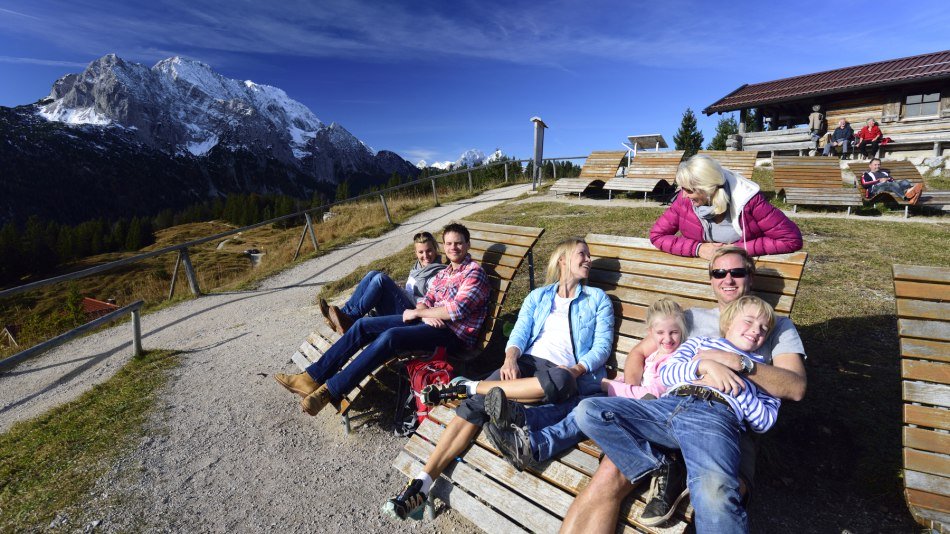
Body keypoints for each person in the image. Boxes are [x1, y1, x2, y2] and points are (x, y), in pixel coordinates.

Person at [559, 247, 807, 534]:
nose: (728, 279)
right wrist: (643, 395)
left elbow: (796, 387)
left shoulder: (775, 325)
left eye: (737, 272)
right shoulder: (690, 318)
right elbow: (640, 354)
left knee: (717, 491)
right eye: (719, 273)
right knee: (606, 476)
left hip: (724, 421)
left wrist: (737, 363)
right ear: (711, 279)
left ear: (750, 277)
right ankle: (666, 466)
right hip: (667, 408)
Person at [381, 237, 614, 521]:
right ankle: (421, 483)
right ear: (563, 260)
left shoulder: (597, 300)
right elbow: (519, 334)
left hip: (563, 371)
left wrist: (577, 370)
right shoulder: (538, 296)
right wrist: (511, 358)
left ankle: (467, 387)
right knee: (471, 408)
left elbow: (601, 347)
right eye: (583, 254)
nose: (588, 260)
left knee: (561, 381)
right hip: (525, 365)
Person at [574, 295, 780, 533]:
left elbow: (764, 421)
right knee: (590, 411)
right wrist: (705, 365)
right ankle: (661, 465)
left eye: (764, 328)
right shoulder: (700, 344)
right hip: (668, 405)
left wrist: (735, 383)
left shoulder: (762, 370)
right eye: (750, 321)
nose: (757, 330)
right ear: (729, 321)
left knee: (715, 493)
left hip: (714, 419)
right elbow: (669, 373)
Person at [273, 223, 490, 416]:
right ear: (444, 246)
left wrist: (419, 313)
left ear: (467, 244)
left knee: (391, 337)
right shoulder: (444, 274)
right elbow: (426, 298)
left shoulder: (474, 272)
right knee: (362, 325)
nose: (454, 248)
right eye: (449, 243)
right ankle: (310, 377)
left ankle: (329, 391)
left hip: (453, 336)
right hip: (431, 325)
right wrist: (424, 311)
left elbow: (456, 309)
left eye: (459, 243)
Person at [479, 299, 685, 474]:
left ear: (682, 331)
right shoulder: (655, 352)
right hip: (621, 397)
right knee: (573, 403)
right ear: (650, 333)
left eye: (674, 333)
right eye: (660, 333)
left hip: (638, 411)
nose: (667, 339)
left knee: (580, 414)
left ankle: (533, 446)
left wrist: (606, 385)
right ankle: (523, 418)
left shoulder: (674, 361)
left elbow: (651, 396)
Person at [650, 155, 803, 259]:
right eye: (682, 188)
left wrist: (736, 249)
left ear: (709, 188)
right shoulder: (683, 201)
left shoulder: (749, 201)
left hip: (740, 275)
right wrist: (698, 249)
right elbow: (657, 235)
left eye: (690, 190)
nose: (683, 195)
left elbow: (790, 239)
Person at [318, 231, 446, 334]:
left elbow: (428, 303)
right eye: (421, 252)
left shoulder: (438, 274)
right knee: (372, 274)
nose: (426, 255)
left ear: (435, 249)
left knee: (381, 279)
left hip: (412, 316)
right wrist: (400, 289)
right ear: (415, 253)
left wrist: (401, 292)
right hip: (403, 306)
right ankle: (344, 314)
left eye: (429, 250)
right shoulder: (418, 267)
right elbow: (410, 289)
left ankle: (351, 319)